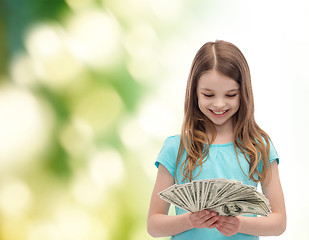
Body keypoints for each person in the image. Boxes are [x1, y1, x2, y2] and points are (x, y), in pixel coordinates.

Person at [147, 40, 286, 239]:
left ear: (243, 93)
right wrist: (189, 220)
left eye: (230, 95)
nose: (219, 104)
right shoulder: (176, 148)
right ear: (194, 92)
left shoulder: (259, 147)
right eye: (208, 94)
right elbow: (154, 225)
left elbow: (279, 222)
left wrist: (239, 224)